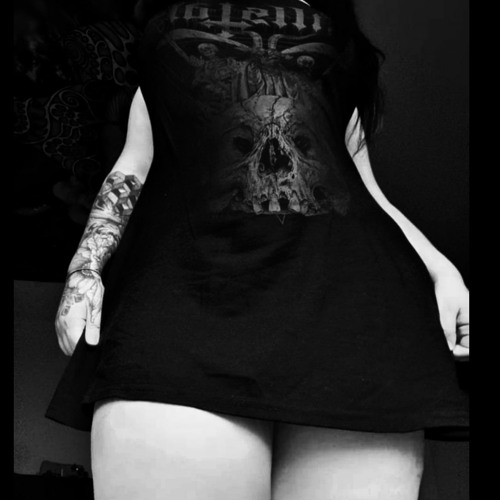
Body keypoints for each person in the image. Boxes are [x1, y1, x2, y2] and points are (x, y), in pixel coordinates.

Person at [47, 0, 469, 499]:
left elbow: (358, 186)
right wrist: (84, 267)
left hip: (356, 317)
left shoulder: (334, 38)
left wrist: (442, 269)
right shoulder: (170, 39)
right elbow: (133, 165)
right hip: (183, 306)